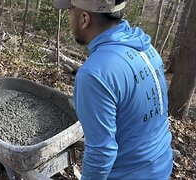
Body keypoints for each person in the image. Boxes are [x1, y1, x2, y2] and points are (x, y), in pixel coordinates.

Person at [53, 0, 173, 179]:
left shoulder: (94, 74)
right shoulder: (147, 48)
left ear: (84, 19)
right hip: (161, 164)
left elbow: (102, 153)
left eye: (70, 11)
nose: (69, 18)